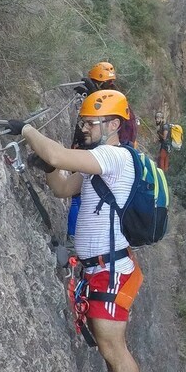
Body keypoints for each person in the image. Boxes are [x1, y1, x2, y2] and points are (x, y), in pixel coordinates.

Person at [7, 90, 150, 372]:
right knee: (106, 340)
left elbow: (56, 152)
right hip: (102, 267)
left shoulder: (113, 156)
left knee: (113, 345)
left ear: (114, 125)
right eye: (83, 122)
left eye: (90, 122)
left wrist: (27, 130)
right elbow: (62, 189)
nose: (83, 128)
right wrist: (49, 166)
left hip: (111, 269)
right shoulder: (99, 164)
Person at [67, 62, 137, 239]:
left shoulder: (114, 109)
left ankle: (73, 236)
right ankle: (76, 236)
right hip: (106, 159)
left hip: (106, 160)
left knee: (77, 197)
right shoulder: (121, 104)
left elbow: (106, 131)